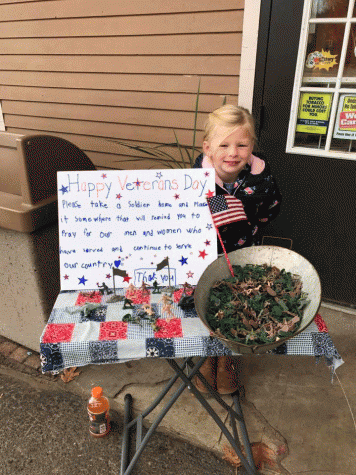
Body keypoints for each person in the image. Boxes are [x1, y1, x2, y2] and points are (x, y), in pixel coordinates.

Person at [193, 104, 282, 394]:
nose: (233, 153)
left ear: (252, 146)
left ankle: (227, 357)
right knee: (208, 302)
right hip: (206, 253)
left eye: (242, 145)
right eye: (224, 145)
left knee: (236, 303)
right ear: (208, 148)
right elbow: (188, 211)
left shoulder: (262, 174)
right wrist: (223, 206)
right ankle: (209, 355)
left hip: (246, 252)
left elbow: (272, 207)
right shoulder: (195, 176)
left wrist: (246, 209)